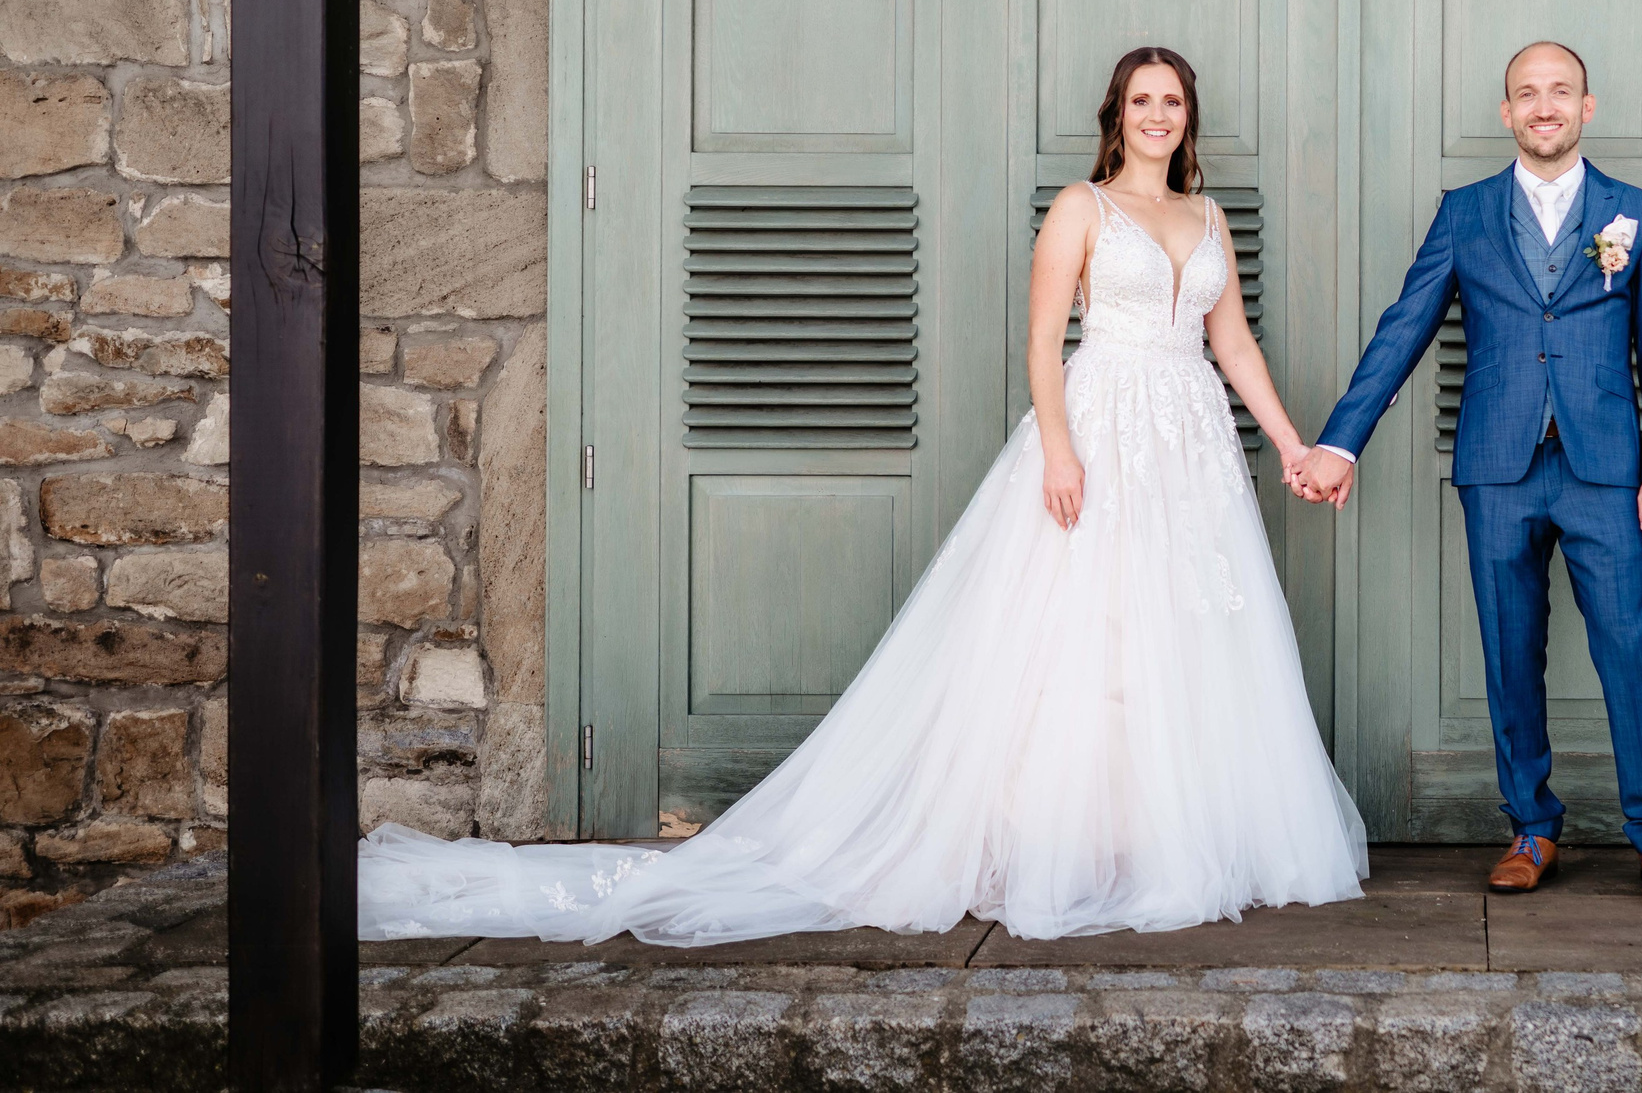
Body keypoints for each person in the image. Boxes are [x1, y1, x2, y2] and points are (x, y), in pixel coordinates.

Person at [359, 47, 1366, 945]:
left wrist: (1289, 446)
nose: (1158, 116)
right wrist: (1059, 453)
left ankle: (1160, 837)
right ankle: (1059, 843)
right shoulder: (1081, 207)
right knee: (1081, 633)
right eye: (1142, 100)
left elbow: (1230, 343)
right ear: (1117, 115)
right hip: (1100, 430)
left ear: (1189, 117)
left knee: (1178, 632)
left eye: (1173, 102)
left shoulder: (1206, 215)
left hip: (1188, 445)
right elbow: (1041, 342)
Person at [1290, 41, 1642, 903]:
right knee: (1511, 650)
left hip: (1607, 471)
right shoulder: (1466, 212)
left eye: (1560, 91)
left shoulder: (1635, 212)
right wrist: (1339, 441)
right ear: (1506, 112)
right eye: (1526, 93)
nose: (1543, 106)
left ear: (1588, 106)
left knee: (1629, 643)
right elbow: (1405, 327)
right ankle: (1531, 825)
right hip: (1499, 466)